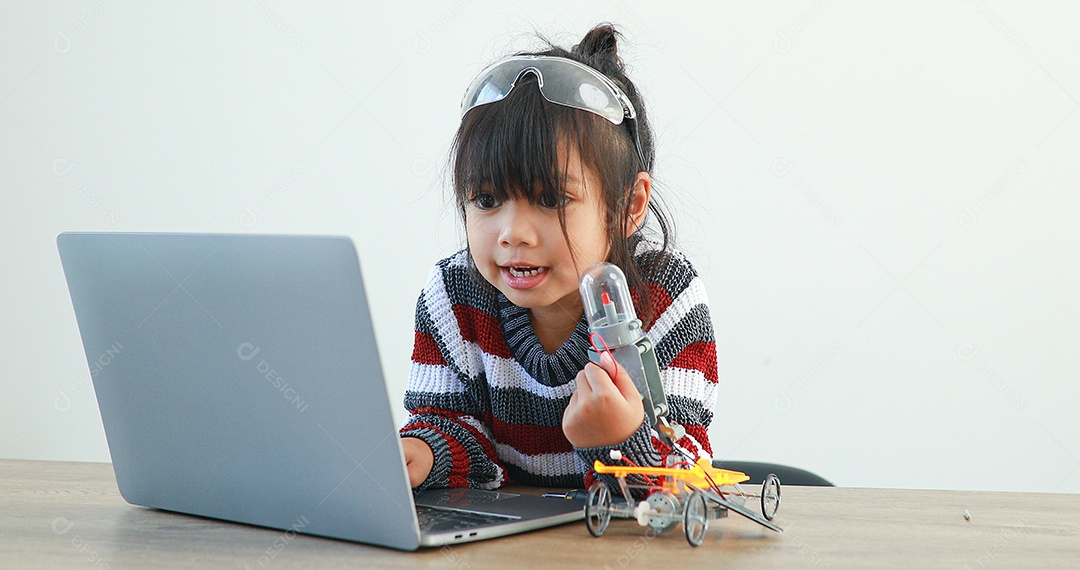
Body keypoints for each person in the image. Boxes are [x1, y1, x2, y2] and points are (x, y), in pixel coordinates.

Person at [399, 23, 719, 492]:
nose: (513, 233)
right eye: (486, 200)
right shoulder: (452, 296)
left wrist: (620, 440)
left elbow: (689, 475)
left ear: (628, 206)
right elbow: (454, 427)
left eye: (550, 199)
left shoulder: (665, 300)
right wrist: (426, 452)